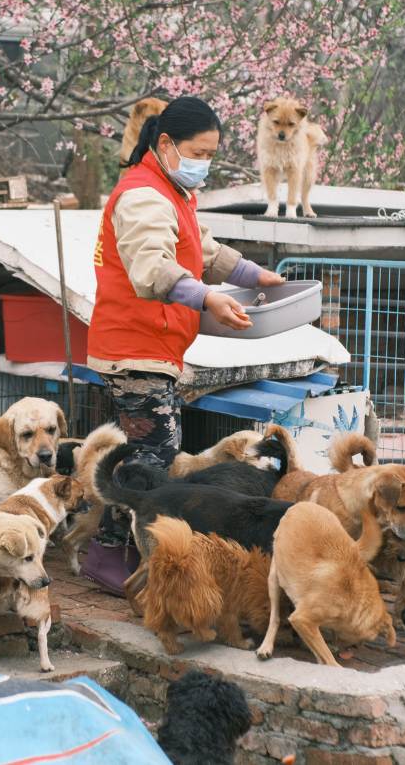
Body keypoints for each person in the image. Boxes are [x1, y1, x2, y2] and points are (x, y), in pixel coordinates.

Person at [84, 96, 283, 559]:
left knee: (150, 454)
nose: (204, 165)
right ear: (166, 143)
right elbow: (151, 268)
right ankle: (116, 554)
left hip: (153, 345)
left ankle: (116, 549)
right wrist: (208, 298)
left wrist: (256, 276)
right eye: (198, 154)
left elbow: (206, 253)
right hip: (134, 345)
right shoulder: (141, 195)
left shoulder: (173, 193)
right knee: (153, 457)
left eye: (211, 156)